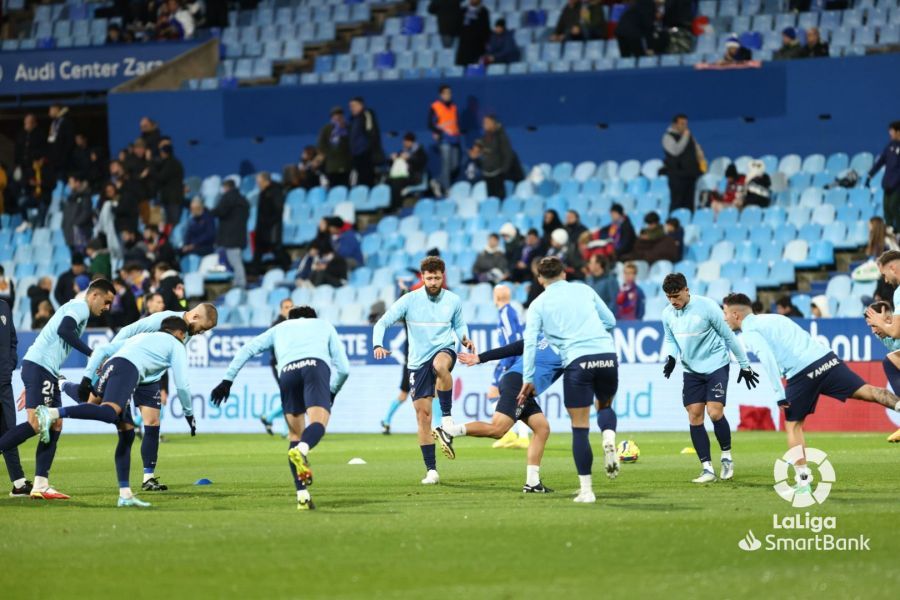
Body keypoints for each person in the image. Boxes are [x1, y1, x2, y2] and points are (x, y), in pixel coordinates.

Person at [725, 292, 900, 493]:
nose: (723, 317)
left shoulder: (750, 331)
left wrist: (778, 392)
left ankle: (803, 482)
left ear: (736, 314)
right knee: (868, 391)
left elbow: (767, 358)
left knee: (793, 426)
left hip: (801, 373)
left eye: (725, 312)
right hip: (826, 359)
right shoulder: (775, 318)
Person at [40, 316, 195, 507]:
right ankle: (53, 413)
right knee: (109, 412)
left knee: (127, 431)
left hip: (112, 365)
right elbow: (183, 385)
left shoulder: (144, 337)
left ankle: (125, 495)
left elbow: (103, 349)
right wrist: (189, 413)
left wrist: (88, 377)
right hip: (128, 370)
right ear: (180, 333)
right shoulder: (176, 344)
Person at [210, 306, 350, 510]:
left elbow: (247, 349)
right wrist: (332, 392)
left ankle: (302, 495)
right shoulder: (324, 325)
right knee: (318, 423)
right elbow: (344, 368)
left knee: (294, 435)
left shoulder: (279, 328)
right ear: (313, 317)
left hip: (287, 373)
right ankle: (303, 449)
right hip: (315, 368)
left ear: (289, 318)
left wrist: (227, 381)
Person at [66, 303, 217, 491]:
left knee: (153, 422)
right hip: (127, 366)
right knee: (91, 403)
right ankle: (63, 384)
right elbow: (130, 330)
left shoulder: (183, 332)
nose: (201, 333)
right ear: (195, 317)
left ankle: (148, 478)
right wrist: (111, 353)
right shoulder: (164, 319)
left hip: (150, 377)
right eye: (202, 328)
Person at [516, 257, 619, 503]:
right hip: (606, 355)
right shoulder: (584, 288)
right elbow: (611, 321)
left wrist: (528, 377)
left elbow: (530, 343)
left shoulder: (538, 304)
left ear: (540, 279)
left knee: (580, 428)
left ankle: (587, 490)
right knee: (604, 405)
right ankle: (609, 437)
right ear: (564, 273)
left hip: (577, 360)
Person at [0, 279, 115, 500]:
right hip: (40, 368)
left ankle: (41, 485)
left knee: (55, 423)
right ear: (94, 296)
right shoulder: (79, 307)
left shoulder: (76, 307)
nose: (107, 307)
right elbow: (64, 330)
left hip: (45, 370)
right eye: (106, 301)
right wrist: (93, 354)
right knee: (37, 424)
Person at [373, 256, 474, 484]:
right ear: (422, 277)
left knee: (441, 365)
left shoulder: (453, 300)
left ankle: (447, 420)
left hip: (443, 349)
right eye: (429, 278)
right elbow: (382, 322)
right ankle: (432, 470)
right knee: (423, 417)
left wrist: (464, 339)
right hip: (417, 362)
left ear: (443, 277)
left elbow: (459, 324)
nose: (433, 282)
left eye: (437, 278)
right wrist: (378, 344)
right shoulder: (409, 300)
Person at [660, 273, 758, 484]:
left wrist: (745, 364)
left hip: (716, 365)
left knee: (714, 412)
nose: (673, 301)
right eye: (669, 297)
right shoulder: (667, 314)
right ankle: (707, 469)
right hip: (691, 369)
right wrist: (670, 357)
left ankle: (726, 457)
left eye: (676, 296)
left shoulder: (707, 307)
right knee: (695, 416)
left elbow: (728, 336)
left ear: (687, 290)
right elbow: (670, 340)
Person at [485, 284, 531, 449]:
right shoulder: (511, 311)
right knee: (511, 396)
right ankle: (517, 435)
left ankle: (513, 434)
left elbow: (514, 338)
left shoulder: (505, 313)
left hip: (510, 359)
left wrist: (508, 362)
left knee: (496, 393)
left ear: (496, 297)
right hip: (514, 358)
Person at [0, 298, 29, 496]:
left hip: (4, 381)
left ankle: (19, 484)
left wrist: (10, 364)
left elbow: (12, 340)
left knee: (9, 431)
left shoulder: (3, 306)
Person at [864, 301, 900, 442]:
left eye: (874, 325)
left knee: (889, 361)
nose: (873, 331)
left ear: (889, 318)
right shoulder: (881, 335)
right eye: (870, 326)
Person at [260, 298, 294, 436]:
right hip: (279, 364)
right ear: (281, 309)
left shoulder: (293, 323)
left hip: (290, 363)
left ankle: (269, 417)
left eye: (291, 306)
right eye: (286, 307)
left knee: (292, 396)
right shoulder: (277, 325)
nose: (289, 309)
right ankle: (287, 430)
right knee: (291, 396)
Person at [211, 179, 249, 288]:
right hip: (240, 235)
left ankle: (241, 283)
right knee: (236, 260)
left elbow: (220, 211)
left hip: (230, 237)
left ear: (226, 187)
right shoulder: (243, 199)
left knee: (235, 262)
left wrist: (209, 212)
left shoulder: (227, 198)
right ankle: (238, 282)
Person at [662, 114, 703, 213]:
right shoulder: (667, 137)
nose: (685, 126)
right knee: (677, 203)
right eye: (682, 124)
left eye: (686, 124)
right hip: (677, 176)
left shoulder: (689, 135)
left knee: (689, 204)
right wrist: (685, 136)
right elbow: (676, 151)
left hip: (690, 175)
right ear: (674, 124)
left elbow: (696, 149)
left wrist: (699, 155)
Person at [866, 121, 900, 234]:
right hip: (887, 184)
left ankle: (898, 229)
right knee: (886, 208)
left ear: (898, 132)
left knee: (893, 206)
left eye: (892, 131)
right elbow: (880, 162)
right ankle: (890, 230)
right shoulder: (889, 146)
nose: (890, 133)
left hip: (897, 185)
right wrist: (870, 175)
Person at [475, 115, 520, 199]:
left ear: (493, 123)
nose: (484, 125)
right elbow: (483, 155)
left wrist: (502, 171)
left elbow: (507, 154)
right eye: (484, 123)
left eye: (487, 122)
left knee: (500, 199)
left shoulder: (501, 136)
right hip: (488, 175)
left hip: (499, 175)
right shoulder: (484, 138)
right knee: (491, 201)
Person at [428, 85, 462, 196]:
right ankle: (447, 189)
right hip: (444, 139)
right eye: (446, 93)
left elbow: (455, 122)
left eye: (449, 93)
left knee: (454, 165)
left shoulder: (454, 107)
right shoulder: (435, 106)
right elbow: (430, 124)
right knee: (446, 164)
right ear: (441, 95)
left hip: (455, 139)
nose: (448, 95)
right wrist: (439, 133)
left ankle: (437, 181)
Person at [254, 172, 288, 272]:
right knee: (258, 250)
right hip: (262, 227)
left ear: (266, 181)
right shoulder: (262, 193)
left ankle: (287, 265)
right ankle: (255, 272)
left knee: (276, 248)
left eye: (259, 182)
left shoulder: (275, 191)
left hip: (272, 227)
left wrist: (269, 222)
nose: (258, 184)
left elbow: (278, 210)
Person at [348, 97, 384, 187]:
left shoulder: (367, 114)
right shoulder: (353, 120)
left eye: (354, 105)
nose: (351, 108)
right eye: (350, 106)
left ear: (361, 105)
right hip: (357, 157)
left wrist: (369, 150)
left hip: (366, 156)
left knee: (368, 180)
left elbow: (372, 133)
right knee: (360, 182)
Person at [388, 132, 428, 211]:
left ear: (411, 142)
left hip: (414, 177)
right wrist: (392, 159)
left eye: (406, 141)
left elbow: (420, 163)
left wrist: (410, 158)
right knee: (389, 180)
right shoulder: (402, 151)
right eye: (404, 141)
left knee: (397, 182)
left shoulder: (420, 151)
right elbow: (394, 164)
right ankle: (389, 205)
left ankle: (396, 206)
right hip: (402, 175)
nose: (404, 143)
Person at [316, 106, 352, 188]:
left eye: (340, 115)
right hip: (331, 166)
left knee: (346, 187)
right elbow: (321, 145)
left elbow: (352, 144)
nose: (338, 117)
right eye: (335, 115)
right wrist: (330, 153)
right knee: (333, 188)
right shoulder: (326, 129)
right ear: (332, 117)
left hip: (346, 165)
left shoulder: (348, 128)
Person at [155, 142, 185, 231]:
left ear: (165, 153)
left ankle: (172, 241)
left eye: (162, 152)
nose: (161, 154)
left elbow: (161, 178)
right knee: (169, 222)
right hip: (173, 198)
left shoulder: (170, 164)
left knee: (172, 223)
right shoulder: (176, 163)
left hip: (172, 199)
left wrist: (152, 171)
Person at [61, 173, 93, 254]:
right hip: (70, 234)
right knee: (75, 259)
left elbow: (86, 213)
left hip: (80, 233)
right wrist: (64, 225)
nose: (69, 185)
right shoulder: (70, 198)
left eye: (70, 182)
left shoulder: (85, 197)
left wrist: (76, 224)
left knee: (81, 257)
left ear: (77, 182)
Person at [456, 0, 490, 66]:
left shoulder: (483, 11)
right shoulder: (463, 11)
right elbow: (457, 26)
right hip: (464, 46)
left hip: (477, 47)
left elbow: (486, 30)